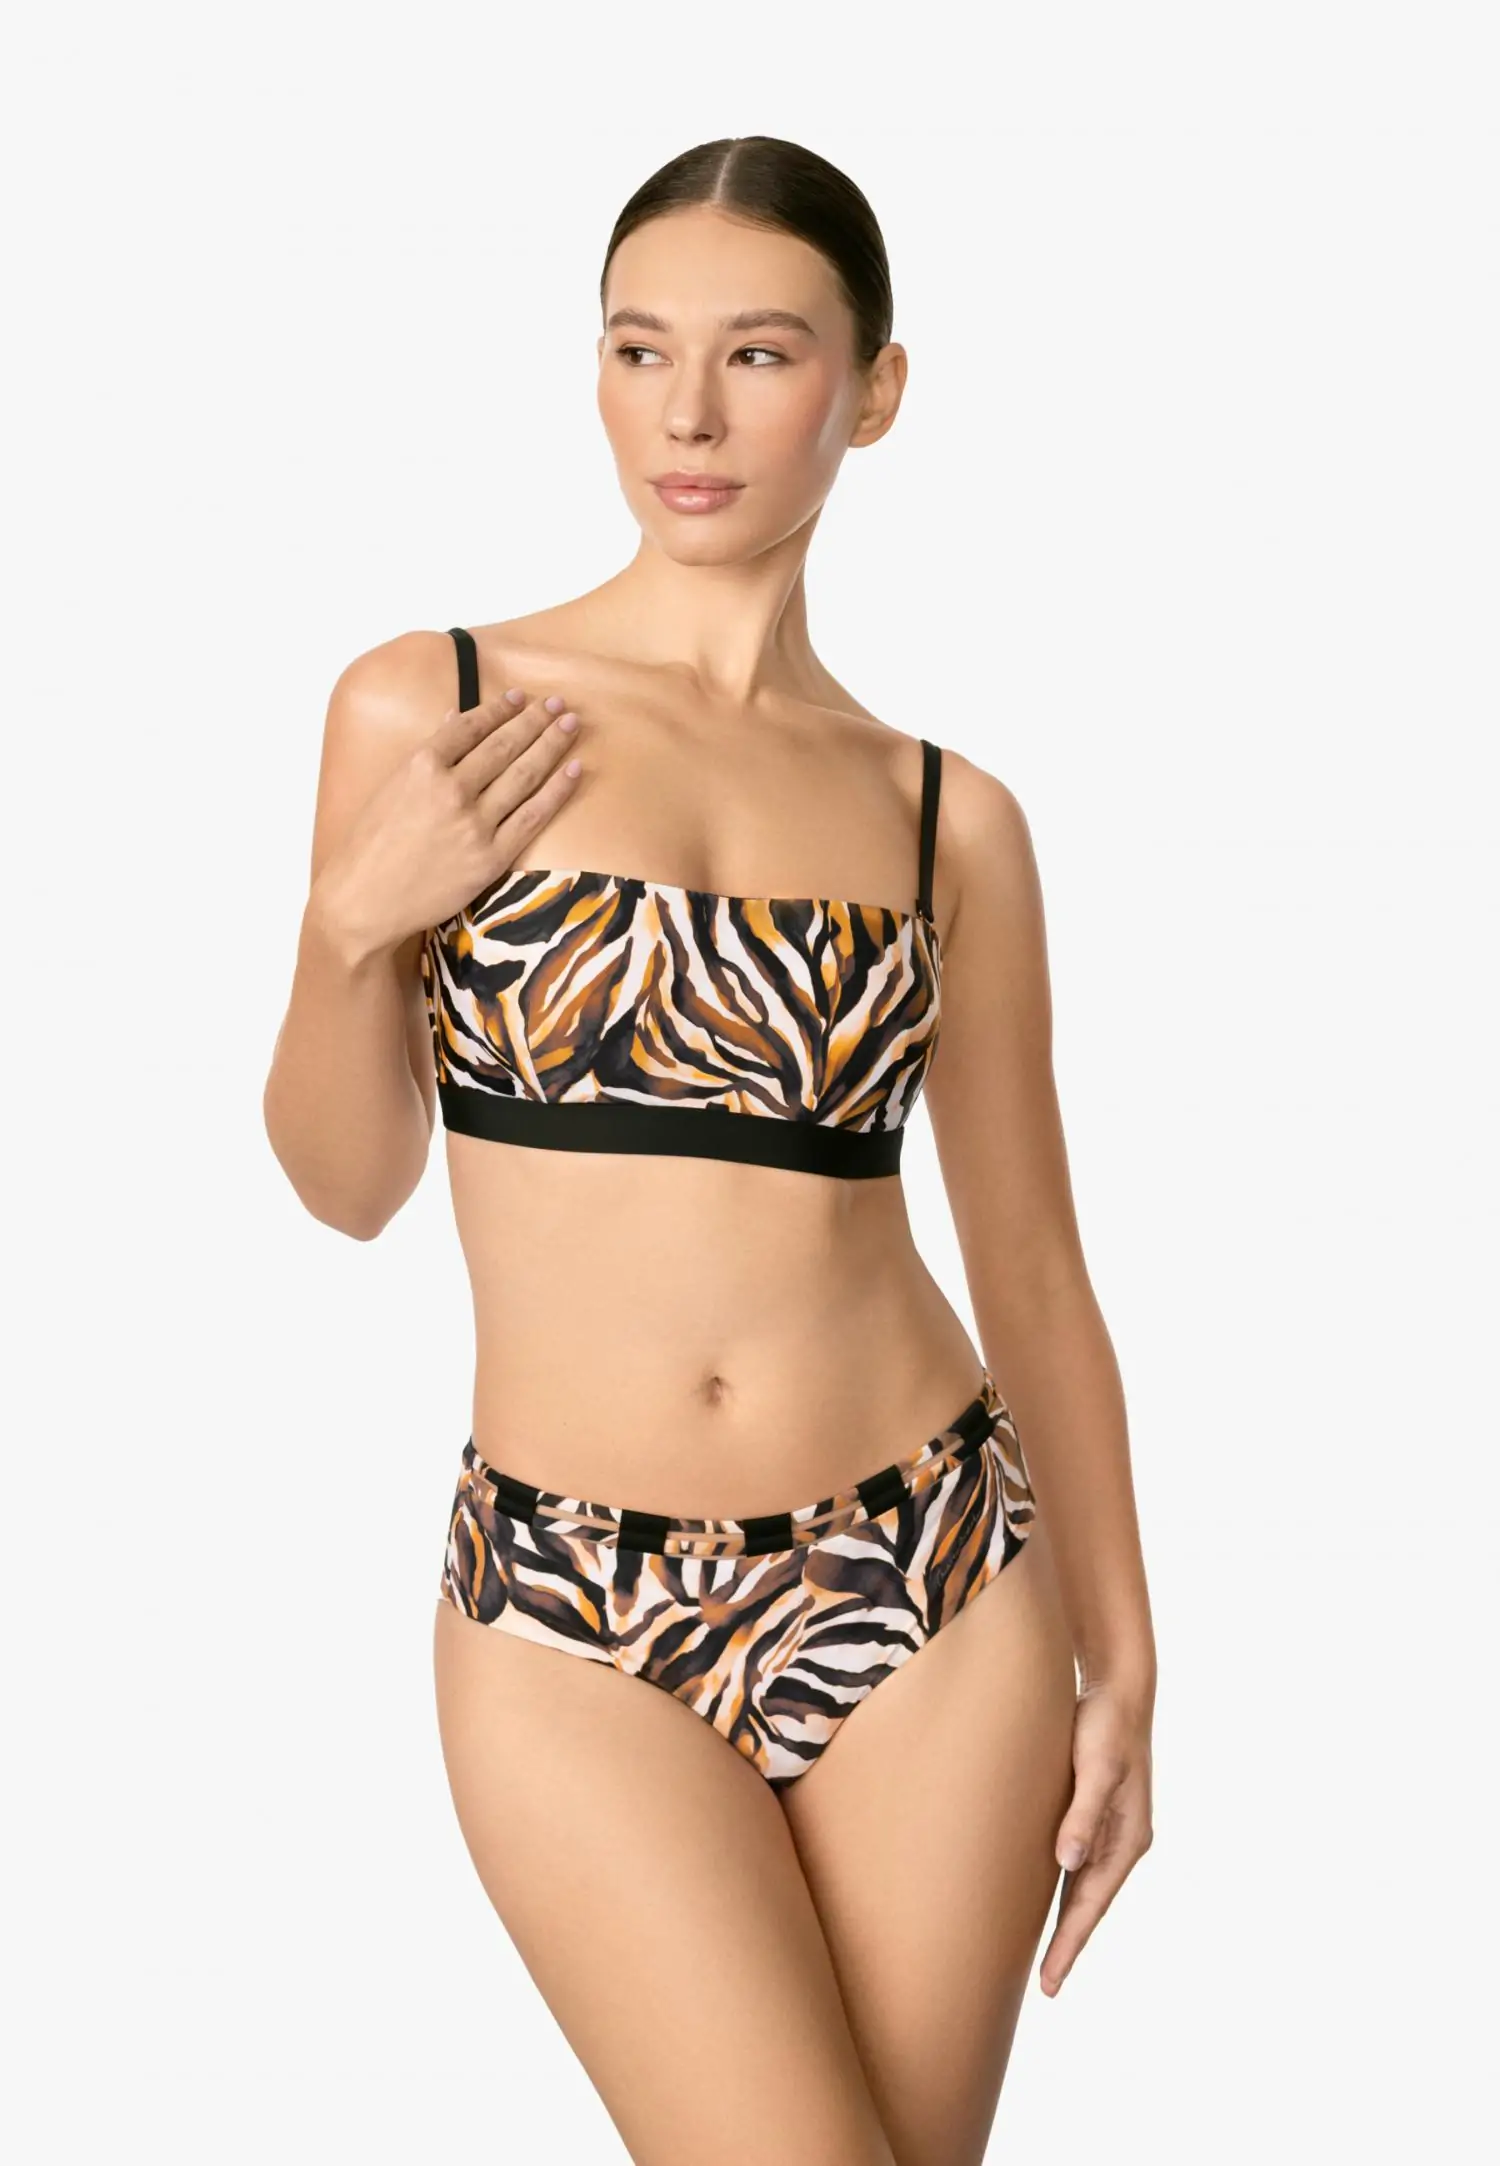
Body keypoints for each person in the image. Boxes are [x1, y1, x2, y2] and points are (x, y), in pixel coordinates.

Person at [264, 134, 1156, 2166]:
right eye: (638, 349)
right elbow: (347, 1184)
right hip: (566, 1606)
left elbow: (1032, 1266)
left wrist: (1128, 1659)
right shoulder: (434, 707)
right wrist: (347, 929)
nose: (686, 413)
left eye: (758, 354)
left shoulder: (949, 819)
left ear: (875, 389)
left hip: (935, 1581)